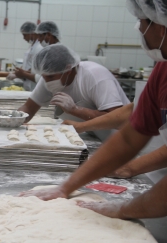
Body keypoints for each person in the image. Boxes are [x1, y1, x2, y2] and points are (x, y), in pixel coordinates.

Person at [19, 0, 167, 221]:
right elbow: (129, 136)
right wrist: (65, 187)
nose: (139, 29)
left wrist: (122, 209)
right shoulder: (162, 71)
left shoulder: (95, 76)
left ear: (162, 25)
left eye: (142, 21)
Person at [18, 44, 130, 124]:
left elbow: (117, 118)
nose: (46, 81)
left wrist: (75, 110)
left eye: (50, 77)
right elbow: (28, 107)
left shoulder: (95, 76)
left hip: (118, 137)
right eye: (43, 76)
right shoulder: (49, 76)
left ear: (68, 70)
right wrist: (13, 119)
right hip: (91, 134)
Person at [63, 103, 167, 179]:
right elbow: (133, 112)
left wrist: (130, 167)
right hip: (142, 168)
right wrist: (82, 126)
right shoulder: (158, 76)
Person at [8, 21, 42, 91]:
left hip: (34, 85)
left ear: (32, 33)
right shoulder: (32, 46)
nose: (24, 38)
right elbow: (30, 66)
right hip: (27, 83)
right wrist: (20, 72)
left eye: (25, 35)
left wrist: (22, 74)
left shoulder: (39, 47)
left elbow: (37, 70)